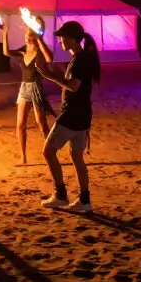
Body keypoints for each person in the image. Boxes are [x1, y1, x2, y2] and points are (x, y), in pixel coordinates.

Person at [36, 21, 101, 213]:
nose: (60, 40)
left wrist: (51, 75)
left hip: (71, 115)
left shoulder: (81, 59)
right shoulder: (82, 57)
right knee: (76, 157)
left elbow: (74, 86)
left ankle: (61, 195)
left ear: (72, 39)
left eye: (62, 37)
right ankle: (84, 200)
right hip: (82, 115)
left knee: (48, 152)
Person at [2, 23, 56, 165]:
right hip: (24, 88)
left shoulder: (40, 51)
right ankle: (23, 156)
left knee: (41, 123)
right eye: (26, 37)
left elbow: (50, 59)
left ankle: (50, 151)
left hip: (36, 89)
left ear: (35, 37)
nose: (27, 39)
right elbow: (6, 52)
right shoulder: (23, 50)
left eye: (30, 37)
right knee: (20, 124)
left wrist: (40, 40)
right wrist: (4, 33)